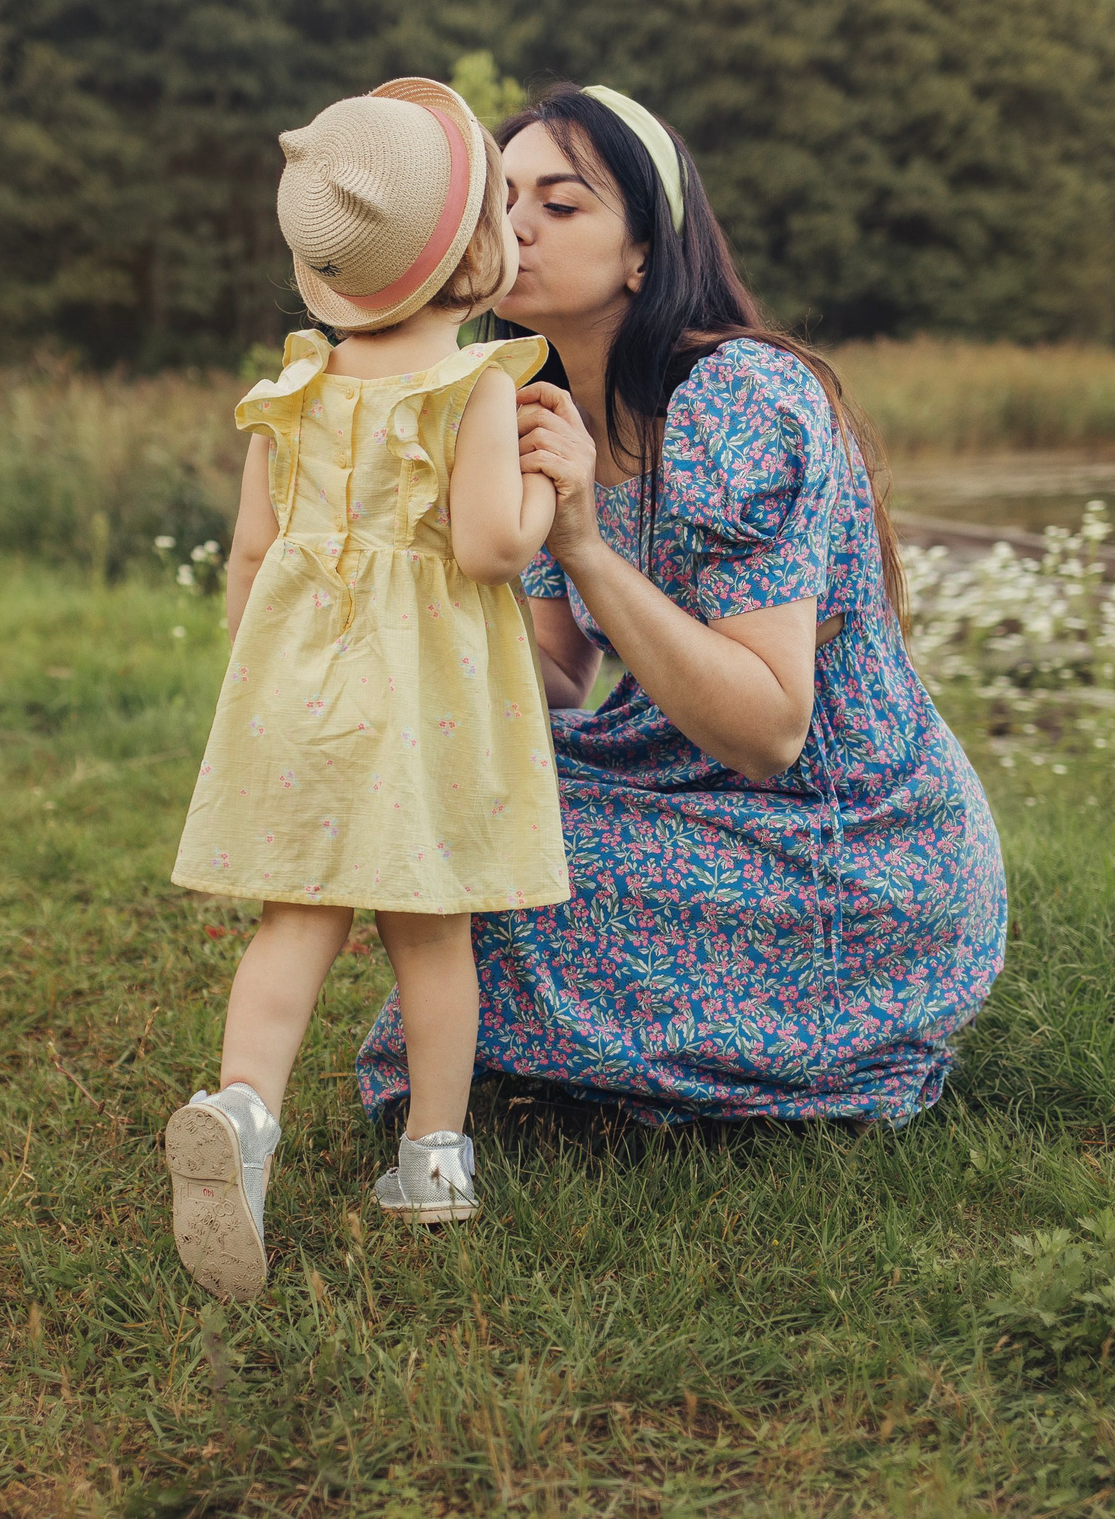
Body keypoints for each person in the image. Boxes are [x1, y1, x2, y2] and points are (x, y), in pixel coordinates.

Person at [355, 84, 1008, 1126]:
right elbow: (561, 670)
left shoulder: (739, 398)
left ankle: (782, 1042)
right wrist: (407, 646)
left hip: (841, 845)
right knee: (435, 786)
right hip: (673, 778)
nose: (515, 229)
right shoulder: (531, 401)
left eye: (560, 207)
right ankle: (553, 1060)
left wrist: (580, 545)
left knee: (494, 843)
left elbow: (768, 731)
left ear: (644, 255)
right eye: (502, 202)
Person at [165, 77, 568, 1301]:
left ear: (330, 273)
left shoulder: (289, 389)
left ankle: (242, 1115)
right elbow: (495, 547)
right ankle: (431, 1165)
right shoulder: (477, 388)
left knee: (295, 923)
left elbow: (250, 554)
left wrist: (256, 683)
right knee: (434, 933)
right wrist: (559, 495)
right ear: (478, 255)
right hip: (429, 704)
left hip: (301, 696)